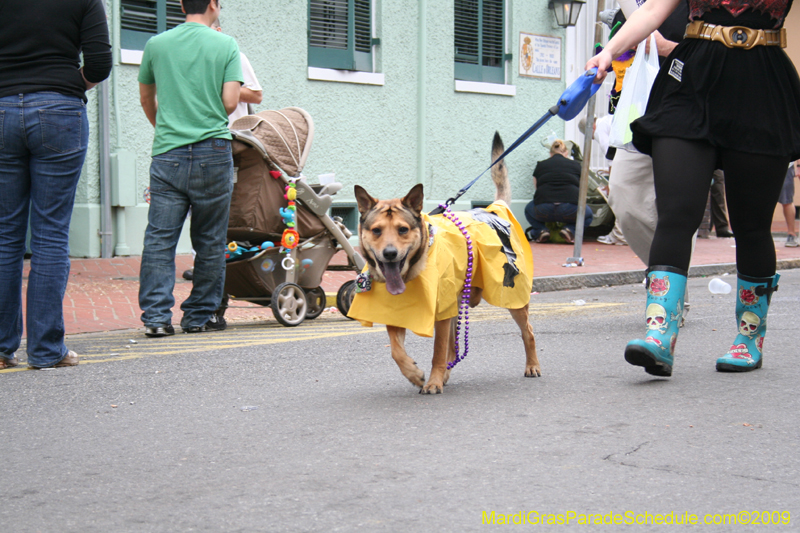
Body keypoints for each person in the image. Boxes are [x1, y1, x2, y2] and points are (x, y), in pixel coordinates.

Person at [587, 0, 800, 376]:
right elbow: (652, 10)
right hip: (692, 78)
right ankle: (659, 335)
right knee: (676, 212)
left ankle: (749, 338)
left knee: (751, 226)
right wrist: (609, 52)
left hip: (761, 85)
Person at [0, 0, 111, 369]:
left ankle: (2, 348)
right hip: (60, 109)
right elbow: (99, 64)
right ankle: (47, 350)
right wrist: (64, 84)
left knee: (5, 234)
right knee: (50, 232)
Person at [138, 0, 242, 337]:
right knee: (210, 240)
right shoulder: (225, 44)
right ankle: (199, 316)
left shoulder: (157, 44)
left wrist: (166, 130)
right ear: (212, 4)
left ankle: (155, 318)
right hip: (214, 149)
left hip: (168, 151)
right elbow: (230, 102)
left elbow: (145, 98)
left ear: (182, 4)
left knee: (159, 239)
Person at [182, 20, 263, 283]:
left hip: (231, 140)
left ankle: (232, 259)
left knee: (230, 201)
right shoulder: (191, 58)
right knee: (199, 204)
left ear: (219, 31)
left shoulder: (235, 55)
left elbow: (256, 95)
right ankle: (203, 264)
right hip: (195, 138)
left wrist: (225, 85)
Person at [524, 140, 593, 244]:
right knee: (588, 214)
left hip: (543, 209)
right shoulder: (576, 165)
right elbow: (582, 188)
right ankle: (569, 230)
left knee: (528, 210)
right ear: (566, 153)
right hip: (570, 209)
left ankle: (541, 231)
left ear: (550, 154)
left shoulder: (541, 165)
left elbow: (537, 188)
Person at [211, 20, 263, 126]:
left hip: (234, 135)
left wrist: (226, 89)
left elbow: (257, 96)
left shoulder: (236, 57)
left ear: (218, 31)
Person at [779, 160, 799, 247]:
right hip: (764, 162)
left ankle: (791, 234)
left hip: (786, 164)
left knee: (787, 200)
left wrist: (798, 166)